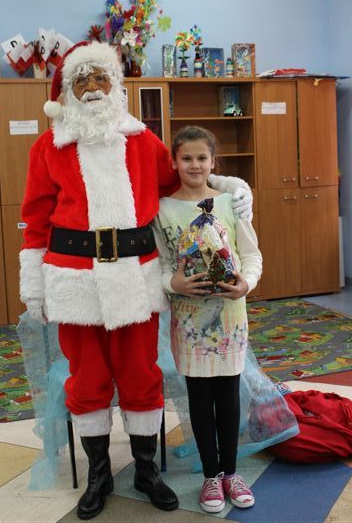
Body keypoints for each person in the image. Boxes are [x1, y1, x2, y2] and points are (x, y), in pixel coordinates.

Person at [19, 41, 253, 520]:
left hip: (135, 277)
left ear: (115, 86)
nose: (92, 88)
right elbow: (36, 221)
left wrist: (231, 187)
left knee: (141, 376)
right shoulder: (48, 147)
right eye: (81, 80)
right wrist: (34, 285)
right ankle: (99, 476)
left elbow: (184, 179)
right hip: (75, 279)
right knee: (87, 380)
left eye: (100, 78)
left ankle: (147, 471)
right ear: (66, 92)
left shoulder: (142, 141)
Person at [152, 125, 263, 514]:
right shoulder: (163, 208)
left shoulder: (231, 202)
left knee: (229, 396)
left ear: (213, 161)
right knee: (199, 398)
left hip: (230, 316)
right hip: (189, 320)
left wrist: (246, 283)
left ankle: (231, 472)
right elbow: (160, 264)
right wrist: (173, 283)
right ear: (174, 162)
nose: (195, 165)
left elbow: (251, 253)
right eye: (187, 158)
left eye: (202, 158)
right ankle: (211, 477)